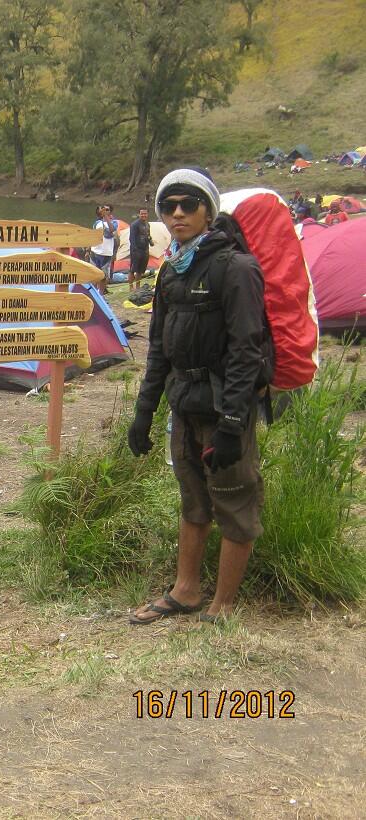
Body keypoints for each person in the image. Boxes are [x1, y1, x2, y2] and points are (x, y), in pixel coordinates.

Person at [127, 168, 272, 625]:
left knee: (233, 500)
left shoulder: (236, 268)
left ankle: (223, 606)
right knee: (193, 498)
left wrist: (232, 422)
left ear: (209, 210)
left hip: (224, 406)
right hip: (184, 403)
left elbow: (248, 349)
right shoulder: (171, 269)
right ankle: (186, 591)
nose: (177, 214)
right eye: (168, 206)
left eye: (188, 204)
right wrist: (144, 411)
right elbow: (158, 348)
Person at [90, 204, 118, 294]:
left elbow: (111, 230)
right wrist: (87, 250)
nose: (104, 211)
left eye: (107, 210)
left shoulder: (114, 222)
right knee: (94, 275)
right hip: (95, 252)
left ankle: (101, 294)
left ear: (110, 211)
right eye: (103, 209)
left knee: (103, 276)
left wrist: (106, 216)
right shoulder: (97, 223)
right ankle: (93, 294)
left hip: (106, 253)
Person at [128, 207, 152, 291]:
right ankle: (131, 287)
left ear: (147, 214)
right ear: (139, 214)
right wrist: (135, 250)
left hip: (145, 250)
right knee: (132, 269)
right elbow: (132, 238)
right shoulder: (134, 225)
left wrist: (150, 241)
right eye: (142, 213)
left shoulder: (147, 224)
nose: (143, 215)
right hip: (136, 250)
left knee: (140, 270)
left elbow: (148, 236)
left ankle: (137, 287)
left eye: (145, 213)